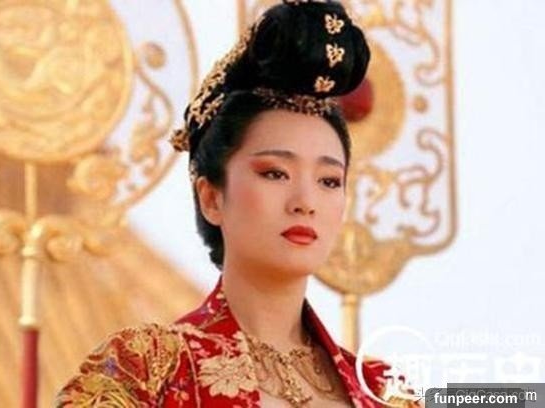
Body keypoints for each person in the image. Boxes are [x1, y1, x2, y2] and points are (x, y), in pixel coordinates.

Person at [56, 1, 420, 406]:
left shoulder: (386, 392)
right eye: (275, 173)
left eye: (328, 181)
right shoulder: (145, 371)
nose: (305, 202)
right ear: (211, 197)